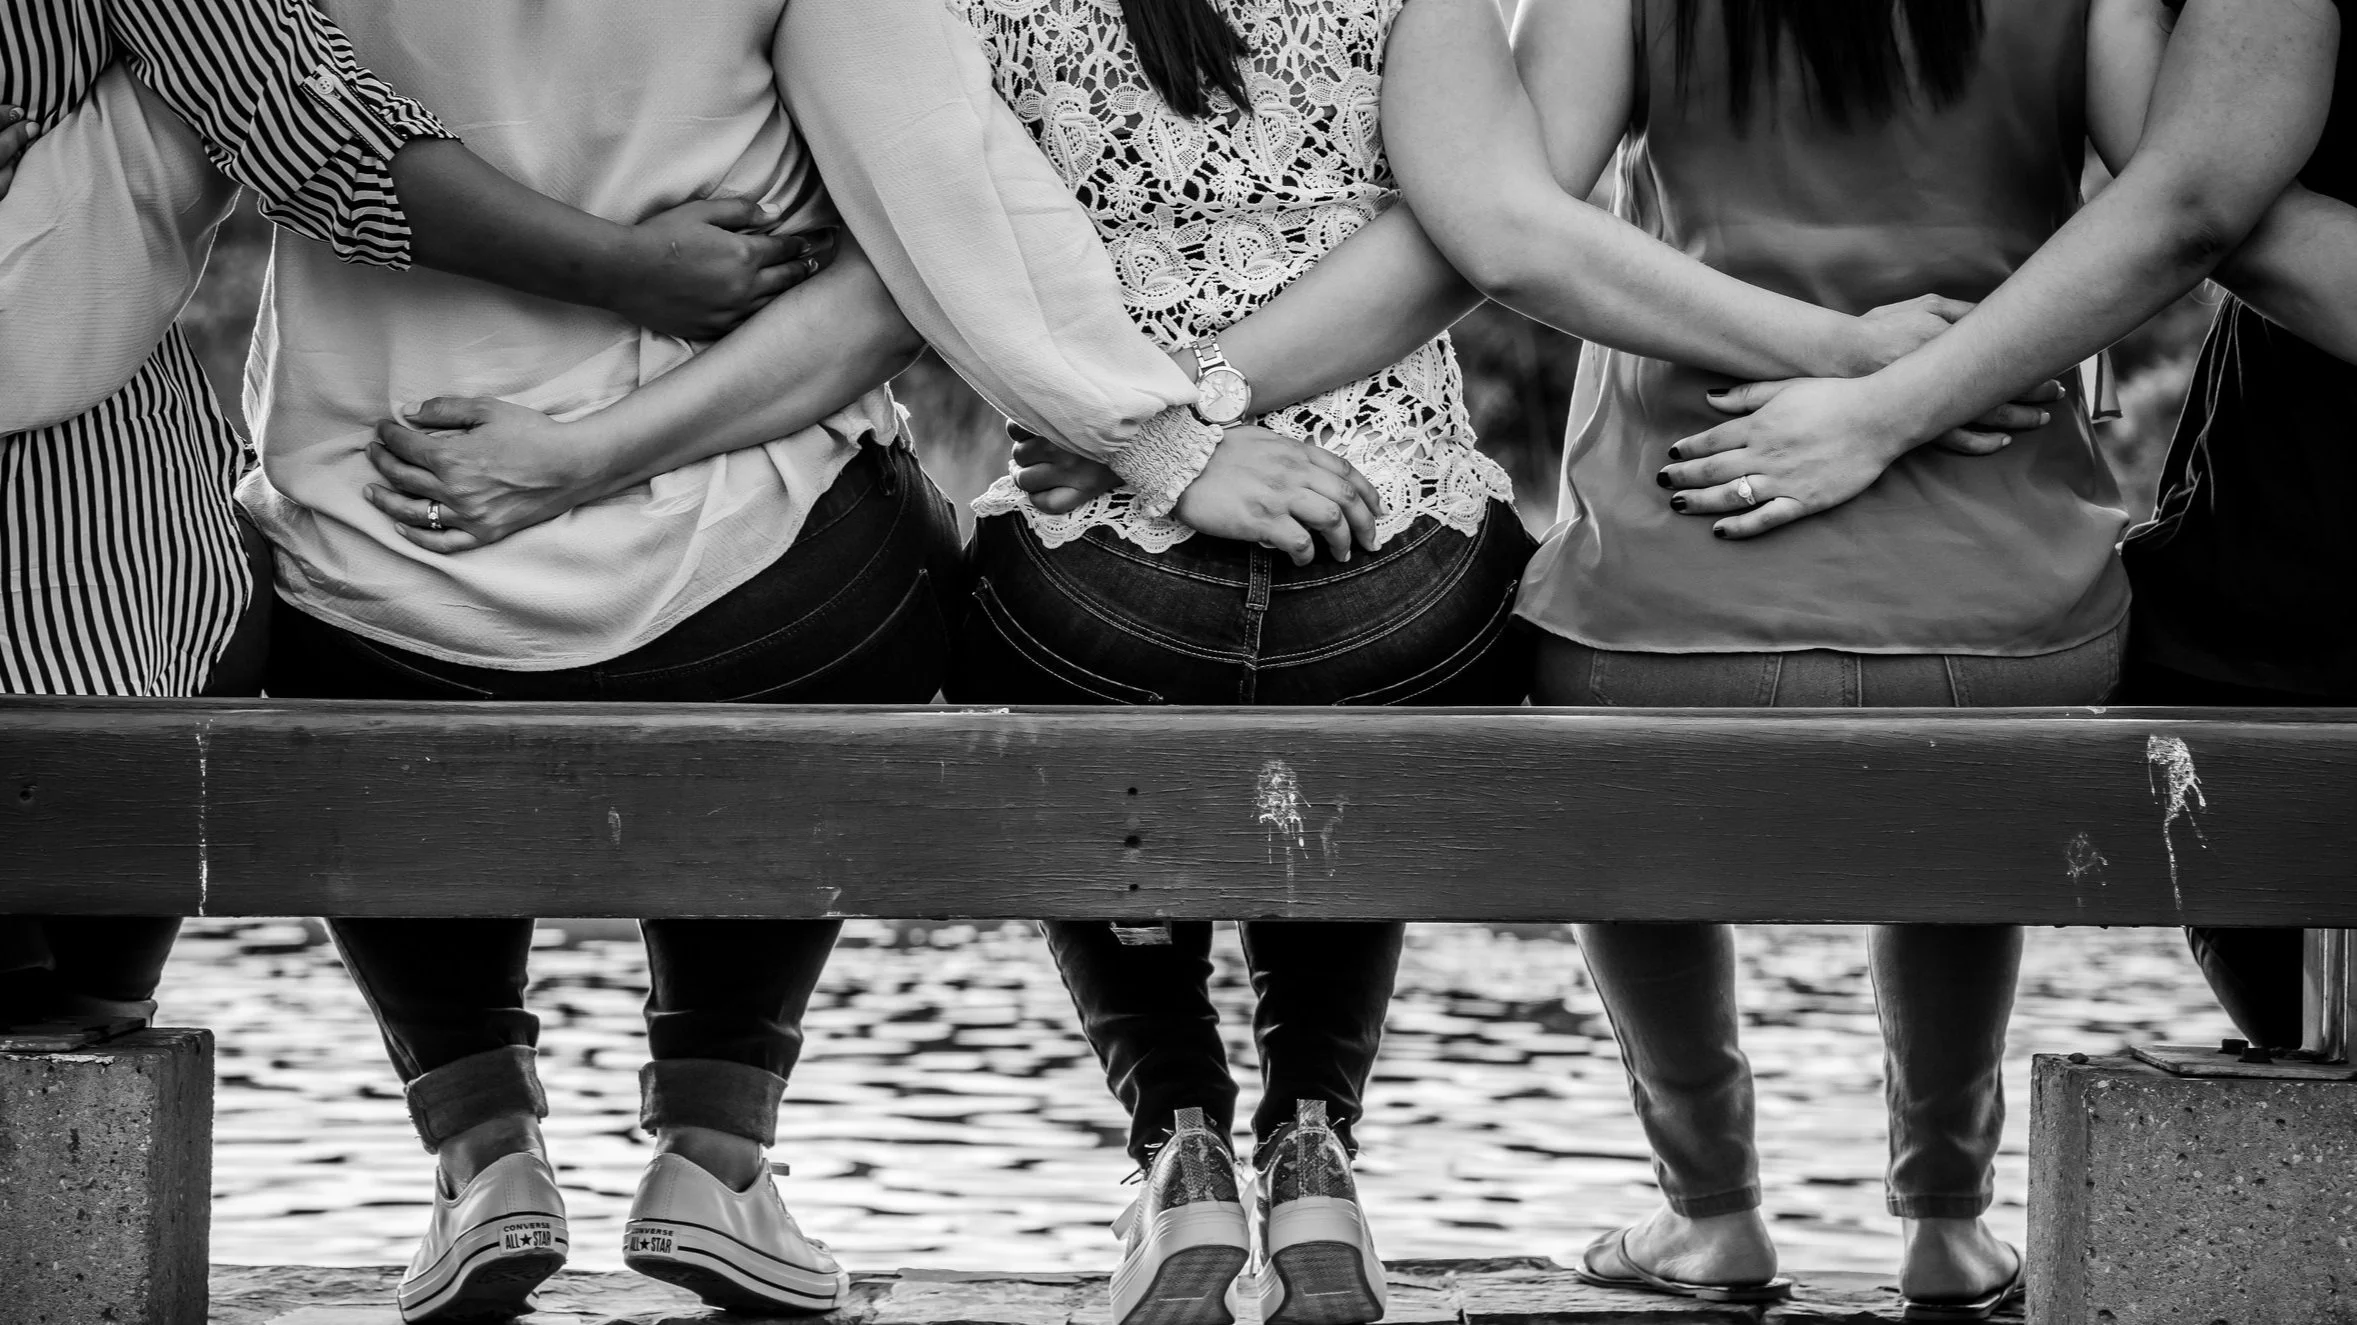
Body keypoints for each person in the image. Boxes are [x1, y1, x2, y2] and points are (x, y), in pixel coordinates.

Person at [1383, 0, 2184, 1313]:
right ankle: (1944, 1219)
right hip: (2016, 609)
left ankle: (1708, 1210)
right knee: (1963, 807)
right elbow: (2181, 197)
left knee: (1606, 752)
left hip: (1663, 592)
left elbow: (1514, 212)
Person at [235, 5, 958, 1319]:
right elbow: (916, 261)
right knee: (905, 542)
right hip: (755, 591)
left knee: (288, 581)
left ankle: (482, 1151)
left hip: (385, 575)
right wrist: (594, 455)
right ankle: (715, 1150)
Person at [0, 0, 798, 1042]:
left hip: (77, 511)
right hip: (65, 533)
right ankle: (667, 1138)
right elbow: (298, 119)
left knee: (68, 1009)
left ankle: (502, 1141)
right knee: (67, 1007)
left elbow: (289, 109)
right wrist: (628, 271)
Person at [1646, 0, 2345, 1050]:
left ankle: (1718, 1205)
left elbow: (2199, 201)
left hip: (2293, 599)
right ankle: (1938, 1206)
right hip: (2116, 608)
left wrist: (1873, 394)